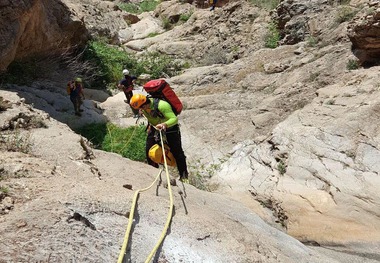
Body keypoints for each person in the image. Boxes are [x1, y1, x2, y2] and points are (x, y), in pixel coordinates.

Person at [130, 94, 189, 182]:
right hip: (155, 129)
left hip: (170, 129)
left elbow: (174, 119)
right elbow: (151, 117)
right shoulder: (145, 108)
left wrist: (164, 124)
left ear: (145, 104)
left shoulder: (162, 105)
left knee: (177, 152)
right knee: (148, 150)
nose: (140, 110)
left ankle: (184, 176)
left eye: (141, 108)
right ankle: (153, 172)